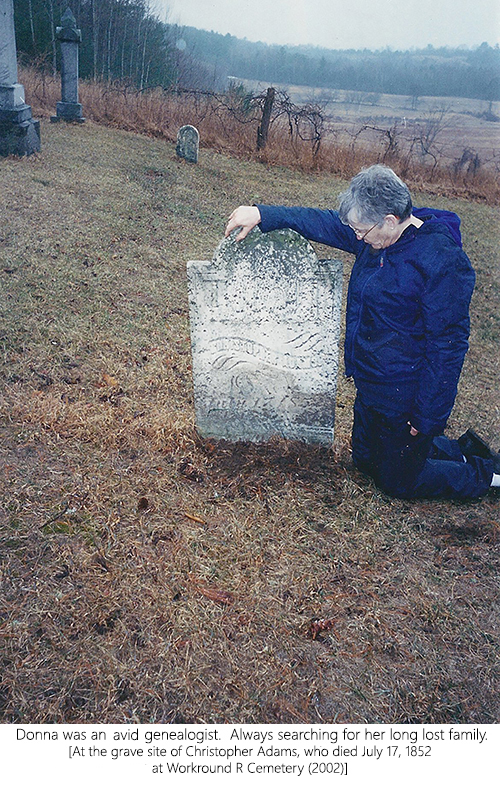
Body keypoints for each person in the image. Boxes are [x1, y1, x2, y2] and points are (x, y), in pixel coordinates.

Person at [224, 164, 500, 499]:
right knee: (366, 461)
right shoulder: (375, 239)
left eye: (361, 231)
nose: (356, 237)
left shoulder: (441, 261)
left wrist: (427, 415)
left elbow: (448, 346)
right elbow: (322, 222)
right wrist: (261, 214)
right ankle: (453, 449)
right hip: (371, 382)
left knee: (398, 481)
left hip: (405, 391)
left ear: (388, 220)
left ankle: (487, 475)